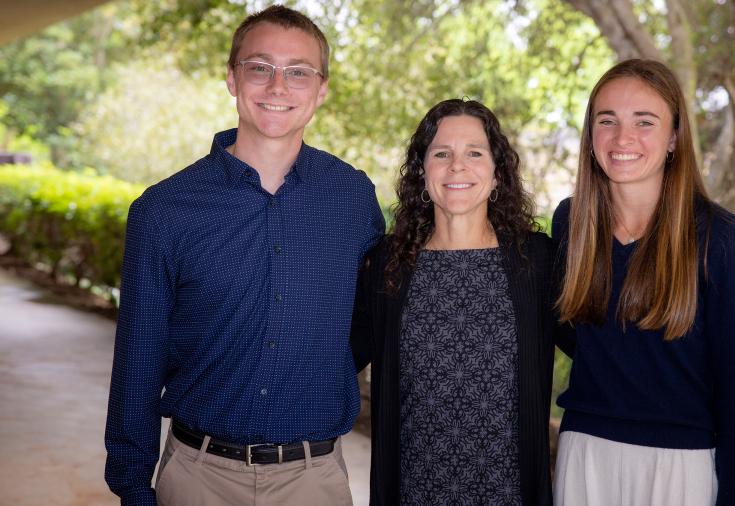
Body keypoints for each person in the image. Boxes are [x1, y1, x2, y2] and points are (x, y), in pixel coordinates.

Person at [104, 5, 384, 505]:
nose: (278, 87)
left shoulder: (353, 198)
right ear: (233, 78)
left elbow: (369, 315)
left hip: (314, 480)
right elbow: (138, 359)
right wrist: (132, 487)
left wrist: (321, 367)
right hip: (197, 478)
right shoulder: (164, 210)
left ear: (321, 89)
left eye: (298, 72)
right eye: (260, 67)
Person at [552, 59, 735, 506]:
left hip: (679, 465)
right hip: (585, 452)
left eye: (644, 122)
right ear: (590, 137)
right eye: (607, 121)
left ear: (674, 138)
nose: (623, 138)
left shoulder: (719, 238)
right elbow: (576, 334)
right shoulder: (571, 222)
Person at [351, 99, 565, 505]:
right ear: (422, 171)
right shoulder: (387, 263)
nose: (456, 166)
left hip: (510, 494)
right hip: (414, 492)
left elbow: (597, 348)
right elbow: (343, 354)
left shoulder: (536, 261)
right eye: (442, 154)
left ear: (497, 172)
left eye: (474, 153)